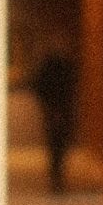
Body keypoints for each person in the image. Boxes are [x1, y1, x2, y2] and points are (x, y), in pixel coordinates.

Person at [28, 47, 79, 193]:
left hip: (55, 107)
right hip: (59, 107)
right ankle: (57, 173)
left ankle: (56, 173)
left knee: (56, 141)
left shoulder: (55, 65)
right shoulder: (59, 66)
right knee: (58, 141)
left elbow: (38, 85)